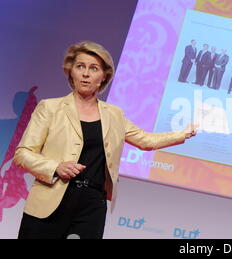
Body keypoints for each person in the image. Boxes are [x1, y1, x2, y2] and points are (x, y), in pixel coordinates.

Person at [13, 41, 197, 239]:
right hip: (51, 196)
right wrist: (55, 167)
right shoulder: (49, 108)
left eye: (93, 68)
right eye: (80, 66)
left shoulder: (114, 115)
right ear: (71, 72)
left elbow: (145, 140)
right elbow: (23, 154)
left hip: (92, 203)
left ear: (103, 77)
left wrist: (182, 134)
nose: (86, 73)